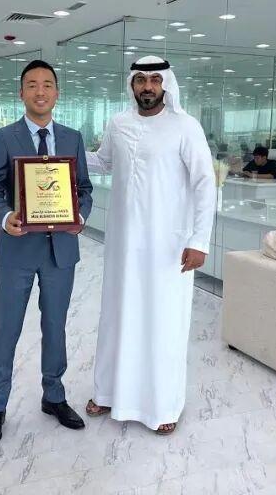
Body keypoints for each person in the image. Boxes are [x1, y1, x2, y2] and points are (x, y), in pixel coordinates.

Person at [84, 55, 215, 435]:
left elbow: (205, 183)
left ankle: (162, 405)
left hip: (168, 246)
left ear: (166, 85)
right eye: (140, 79)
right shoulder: (118, 124)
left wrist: (199, 240)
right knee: (117, 316)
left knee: (162, 322)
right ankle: (108, 392)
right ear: (132, 85)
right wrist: (61, 152)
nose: (147, 87)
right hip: (123, 245)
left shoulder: (185, 127)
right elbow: (102, 162)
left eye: (154, 80)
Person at [0, 59, 93, 446]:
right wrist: (5, 216)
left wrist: (81, 216)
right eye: (32, 85)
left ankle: (54, 396)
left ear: (57, 93)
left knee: (55, 328)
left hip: (61, 252)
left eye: (47, 85)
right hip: (17, 251)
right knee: (6, 330)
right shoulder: (3, 138)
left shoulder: (73, 138)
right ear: (21, 93)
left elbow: (84, 189)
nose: (40, 91)